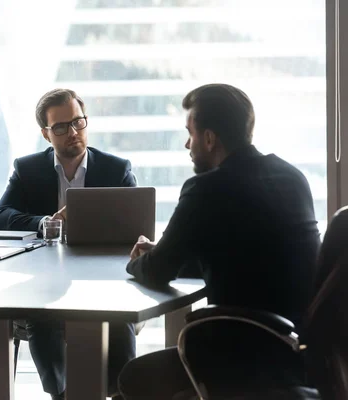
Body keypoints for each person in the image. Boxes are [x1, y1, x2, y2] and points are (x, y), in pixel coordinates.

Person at [119, 84, 321, 399]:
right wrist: (168, 256)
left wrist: (136, 260)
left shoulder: (206, 190)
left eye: (191, 133)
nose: (187, 144)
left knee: (134, 377)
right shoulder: (292, 177)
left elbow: (157, 271)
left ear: (210, 138)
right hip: (305, 352)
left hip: (247, 355)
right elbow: (246, 253)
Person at [0, 88, 137, 399]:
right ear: (46, 134)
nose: (73, 132)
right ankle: (60, 393)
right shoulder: (27, 169)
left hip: (101, 277)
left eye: (78, 122)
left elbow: (135, 226)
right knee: (42, 318)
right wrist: (47, 223)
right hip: (45, 276)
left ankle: (119, 390)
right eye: (61, 127)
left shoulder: (116, 168)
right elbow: (1, 215)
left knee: (118, 321)